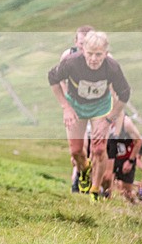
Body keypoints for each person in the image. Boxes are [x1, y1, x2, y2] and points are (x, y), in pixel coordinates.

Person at [48, 31, 131, 202]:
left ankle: (94, 190)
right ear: (83, 51)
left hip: (100, 108)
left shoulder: (112, 67)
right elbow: (52, 78)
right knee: (76, 151)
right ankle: (84, 169)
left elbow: (124, 94)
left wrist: (109, 120)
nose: (93, 59)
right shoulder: (71, 63)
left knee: (99, 150)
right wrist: (66, 107)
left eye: (98, 54)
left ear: (106, 54)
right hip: (76, 106)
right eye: (90, 54)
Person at [60, 26, 94, 192]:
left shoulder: (99, 57)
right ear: (76, 42)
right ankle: (85, 170)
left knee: (90, 148)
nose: (84, 47)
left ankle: (83, 182)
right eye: (81, 43)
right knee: (76, 152)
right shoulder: (68, 56)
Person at [103, 113, 142, 203]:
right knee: (107, 178)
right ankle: (105, 204)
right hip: (112, 153)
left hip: (126, 157)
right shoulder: (102, 119)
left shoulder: (126, 123)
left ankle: (135, 202)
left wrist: (130, 161)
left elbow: (139, 141)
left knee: (126, 190)